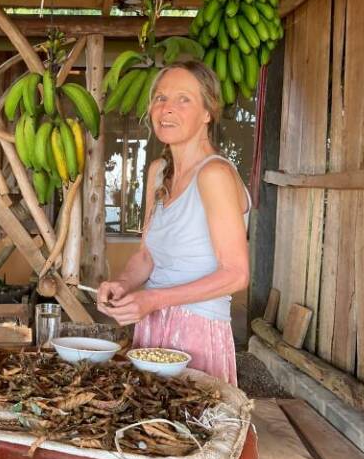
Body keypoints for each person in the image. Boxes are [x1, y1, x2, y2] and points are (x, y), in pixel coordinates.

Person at [97, 60, 250, 385]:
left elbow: (236, 274)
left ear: (208, 112)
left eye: (184, 99)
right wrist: (123, 285)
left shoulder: (214, 175)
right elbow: (147, 256)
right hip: (154, 324)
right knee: (147, 430)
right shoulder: (157, 172)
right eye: (160, 98)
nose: (166, 108)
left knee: (191, 429)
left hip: (197, 330)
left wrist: (152, 299)